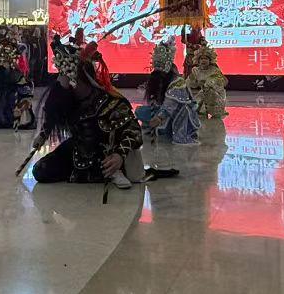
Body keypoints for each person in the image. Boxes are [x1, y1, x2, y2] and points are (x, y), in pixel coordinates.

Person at [30, 34, 156, 187]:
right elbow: (53, 114)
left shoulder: (110, 102)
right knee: (40, 171)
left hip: (106, 154)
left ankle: (115, 170)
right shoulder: (68, 100)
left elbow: (134, 131)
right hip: (79, 150)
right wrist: (42, 135)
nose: (64, 85)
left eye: (68, 79)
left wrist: (119, 155)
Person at [136, 41, 200, 144]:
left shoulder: (177, 82)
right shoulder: (156, 79)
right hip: (162, 109)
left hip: (176, 112)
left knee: (182, 110)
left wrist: (159, 117)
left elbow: (171, 104)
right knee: (141, 111)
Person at [182, 28, 228, 119]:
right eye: (201, 59)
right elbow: (190, 83)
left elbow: (222, 82)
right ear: (198, 61)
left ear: (210, 60)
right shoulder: (195, 70)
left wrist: (210, 83)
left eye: (206, 59)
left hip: (216, 95)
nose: (203, 61)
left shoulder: (214, 70)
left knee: (208, 95)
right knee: (196, 105)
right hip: (203, 93)